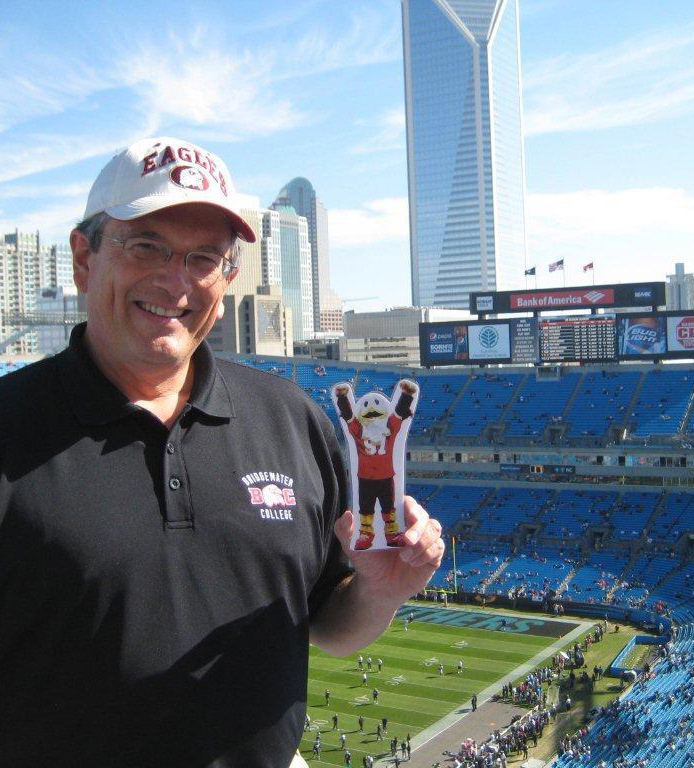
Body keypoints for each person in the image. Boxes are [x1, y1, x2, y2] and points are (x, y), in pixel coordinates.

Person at [0, 136, 446, 768]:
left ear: (228, 277)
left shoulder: (292, 421)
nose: (175, 280)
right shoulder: (10, 427)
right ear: (84, 256)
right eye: (146, 245)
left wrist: (380, 593)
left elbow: (330, 626)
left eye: (204, 257)